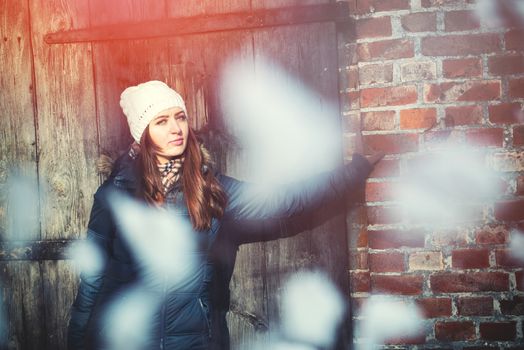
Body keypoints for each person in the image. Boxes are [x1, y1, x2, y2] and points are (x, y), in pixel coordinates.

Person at [67, 80, 382, 350]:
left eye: (180, 117)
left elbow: (286, 201)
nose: (176, 128)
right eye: (161, 121)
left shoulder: (212, 191)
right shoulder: (114, 195)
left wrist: (355, 172)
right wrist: (77, 341)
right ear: (143, 134)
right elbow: (92, 278)